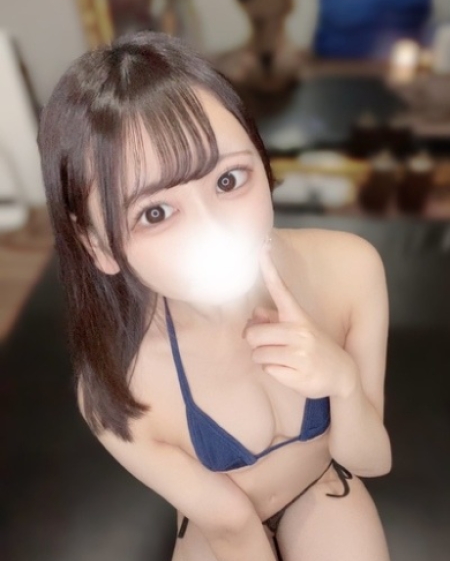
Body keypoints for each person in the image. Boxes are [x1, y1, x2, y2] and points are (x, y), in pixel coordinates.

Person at [38, 30, 391, 561]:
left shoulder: (350, 269)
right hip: (220, 526)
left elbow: (371, 460)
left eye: (228, 180)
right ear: (98, 245)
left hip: (321, 486)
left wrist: (342, 382)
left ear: (262, 159)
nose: (214, 229)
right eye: (155, 212)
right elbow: (229, 524)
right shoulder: (119, 383)